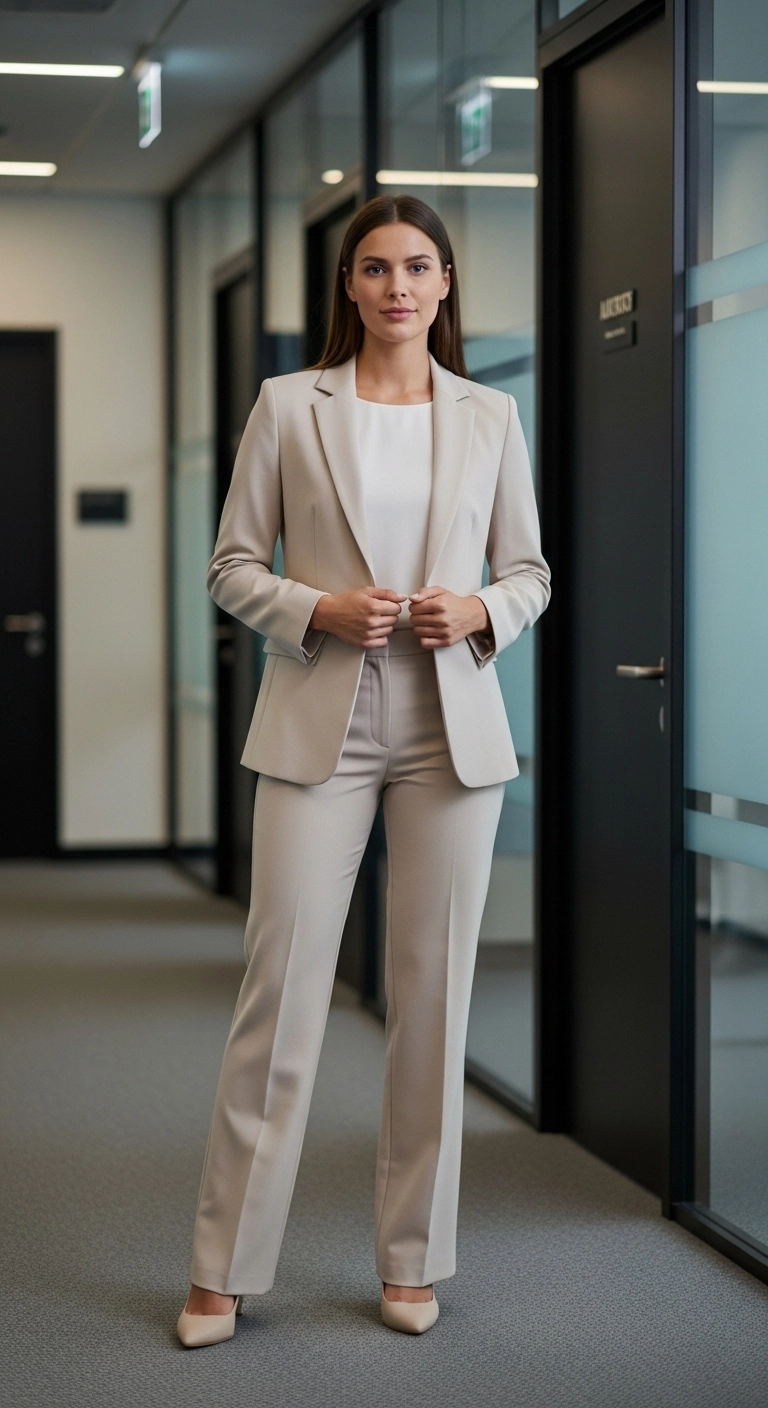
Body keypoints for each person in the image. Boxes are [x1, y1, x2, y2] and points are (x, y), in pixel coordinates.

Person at [177, 193, 550, 1348]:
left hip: (452, 725)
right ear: (349, 284)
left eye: (420, 267)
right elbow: (232, 565)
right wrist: (316, 605)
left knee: (432, 999)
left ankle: (412, 1257)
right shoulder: (289, 406)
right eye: (377, 267)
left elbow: (531, 571)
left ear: (445, 288)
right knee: (278, 995)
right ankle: (223, 1267)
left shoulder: (490, 416)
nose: (399, 286)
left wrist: (479, 606)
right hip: (317, 721)